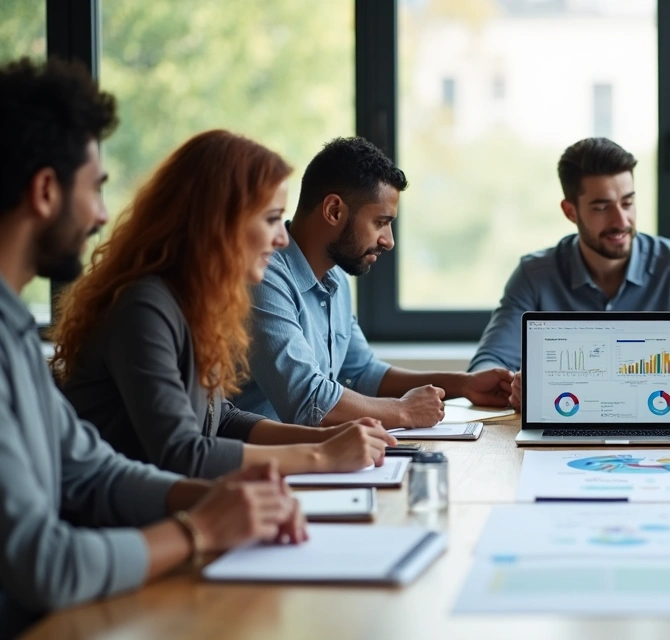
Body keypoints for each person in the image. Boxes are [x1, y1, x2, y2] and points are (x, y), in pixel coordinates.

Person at [0, 57, 306, 637]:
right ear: (45, 191)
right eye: (94, 189)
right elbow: (47, 564)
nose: (102, 214)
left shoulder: (12, 330)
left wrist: (220, 498)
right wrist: (202, 528)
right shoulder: (139, 305)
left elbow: (93, 473)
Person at [54, 130, 396, 480]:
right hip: (124, 522)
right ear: (219, 222)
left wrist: (324, 439)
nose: (281, 238)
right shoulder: (144, 307)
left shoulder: (198, 303)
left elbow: (221, 418)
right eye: (271, 219)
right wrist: (320, 455)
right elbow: (182, 452)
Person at [233, 137, 514, 428]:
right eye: (380, 222)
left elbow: (362, 372)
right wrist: (402, 411)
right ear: (333, 211)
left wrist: (464, 384)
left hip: (312, 459)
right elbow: (308, 400)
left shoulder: (336, 278)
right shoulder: (264, 276)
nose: (389, 241)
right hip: (259, 464)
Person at [469, 137, 670, 409]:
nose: (621, 221)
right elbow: (488, 363)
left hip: (656, 418)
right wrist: (515, 385)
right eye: (602, 208)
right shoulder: (535, 274)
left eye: (627, 203)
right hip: (565, 418)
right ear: (570, 211)